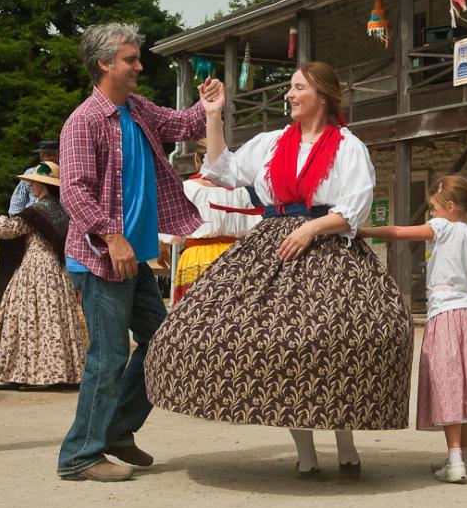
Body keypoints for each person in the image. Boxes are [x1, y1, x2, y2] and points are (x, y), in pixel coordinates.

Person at [145, 61, 413, 482]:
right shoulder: (271, 142)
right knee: (273, 342)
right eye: (289, 87)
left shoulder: (347, 146)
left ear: (322, 96)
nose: (289, 95)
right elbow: (225, 171)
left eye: (297, 87)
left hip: (329, 245)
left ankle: (345, 443)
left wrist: (312, 227)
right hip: (274, 243)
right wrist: (213, 115)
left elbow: (355, 208)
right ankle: (305, 453)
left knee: (340, 339)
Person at [57, 22, 223, 483]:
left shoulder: (137, 110)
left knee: (165, 342)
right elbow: (73, 192)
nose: (138, 66)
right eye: (130, 59)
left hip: (134, 261)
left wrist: (207, 105)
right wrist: (113, 237)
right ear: (104, 63)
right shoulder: (84, 121)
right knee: (107, 358)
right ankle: (79, 456)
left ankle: (115, 430)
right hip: (100, 261)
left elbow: (184, 124)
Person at [361, 175, 467, 484]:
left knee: (449, 386)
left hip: (445, 316)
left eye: (434, 208)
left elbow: (399, 232)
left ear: (449, 207)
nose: (432, 214)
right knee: (464, 387)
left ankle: (455, 462)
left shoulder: (442, 227)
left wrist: (362, 230)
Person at [0, 162, 85, 387]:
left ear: (43, 184)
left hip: (36, 266)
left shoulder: (40, 210)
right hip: (56, 268)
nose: (31, 186)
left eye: (34, 182)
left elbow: (10, 230)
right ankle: (61, 373)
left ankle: (31, 374)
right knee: (52, 318)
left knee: (30, 318)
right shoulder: (59, 209)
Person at [161, 139, 262, 302]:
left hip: (198, 258)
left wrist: (162, 248)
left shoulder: (186, 190)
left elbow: (168, 229)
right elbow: (254, 228)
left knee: (195, 317)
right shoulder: (240, 191)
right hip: (234, 258)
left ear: (196, 159)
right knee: (227, 318)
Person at [8, 140, 60, 216]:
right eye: (48, 154)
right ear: (41, 156)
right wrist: (17, 220)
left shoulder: (63, 174)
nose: (51, 157)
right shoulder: (30, 173)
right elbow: (17, 202)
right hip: (28, 217)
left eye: (54, 154)